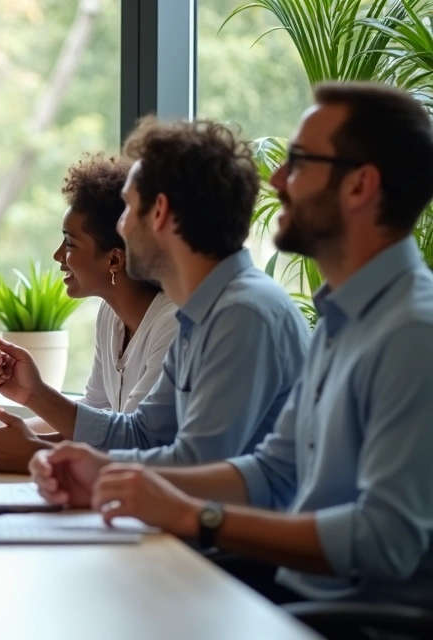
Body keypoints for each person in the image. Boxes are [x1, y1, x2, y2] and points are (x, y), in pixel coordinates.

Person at [31, 82, 433, 608]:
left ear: (360, 187)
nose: (278, 181)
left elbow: (385, 542)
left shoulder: (411, 331)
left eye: (299, 163)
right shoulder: (345, 317)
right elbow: (273, 470)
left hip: (346, 617)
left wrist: (193, 515)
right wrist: (106, 473)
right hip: (293, 590)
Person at [0, 117, 310, 471]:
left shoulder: (242, 315)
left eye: (129, 207)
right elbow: (143, 435)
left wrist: (39, 457)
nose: (121, 225)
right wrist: (35, 396)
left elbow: (195, 466)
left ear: (160, 214)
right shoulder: (202, 312)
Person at [0, 153, 179, 471]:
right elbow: (94, 428)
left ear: (115, 260)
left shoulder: (173, 324)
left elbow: (134, 441)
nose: (57, 255)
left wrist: (35, 410)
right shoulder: (110, 317)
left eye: (69, 243)